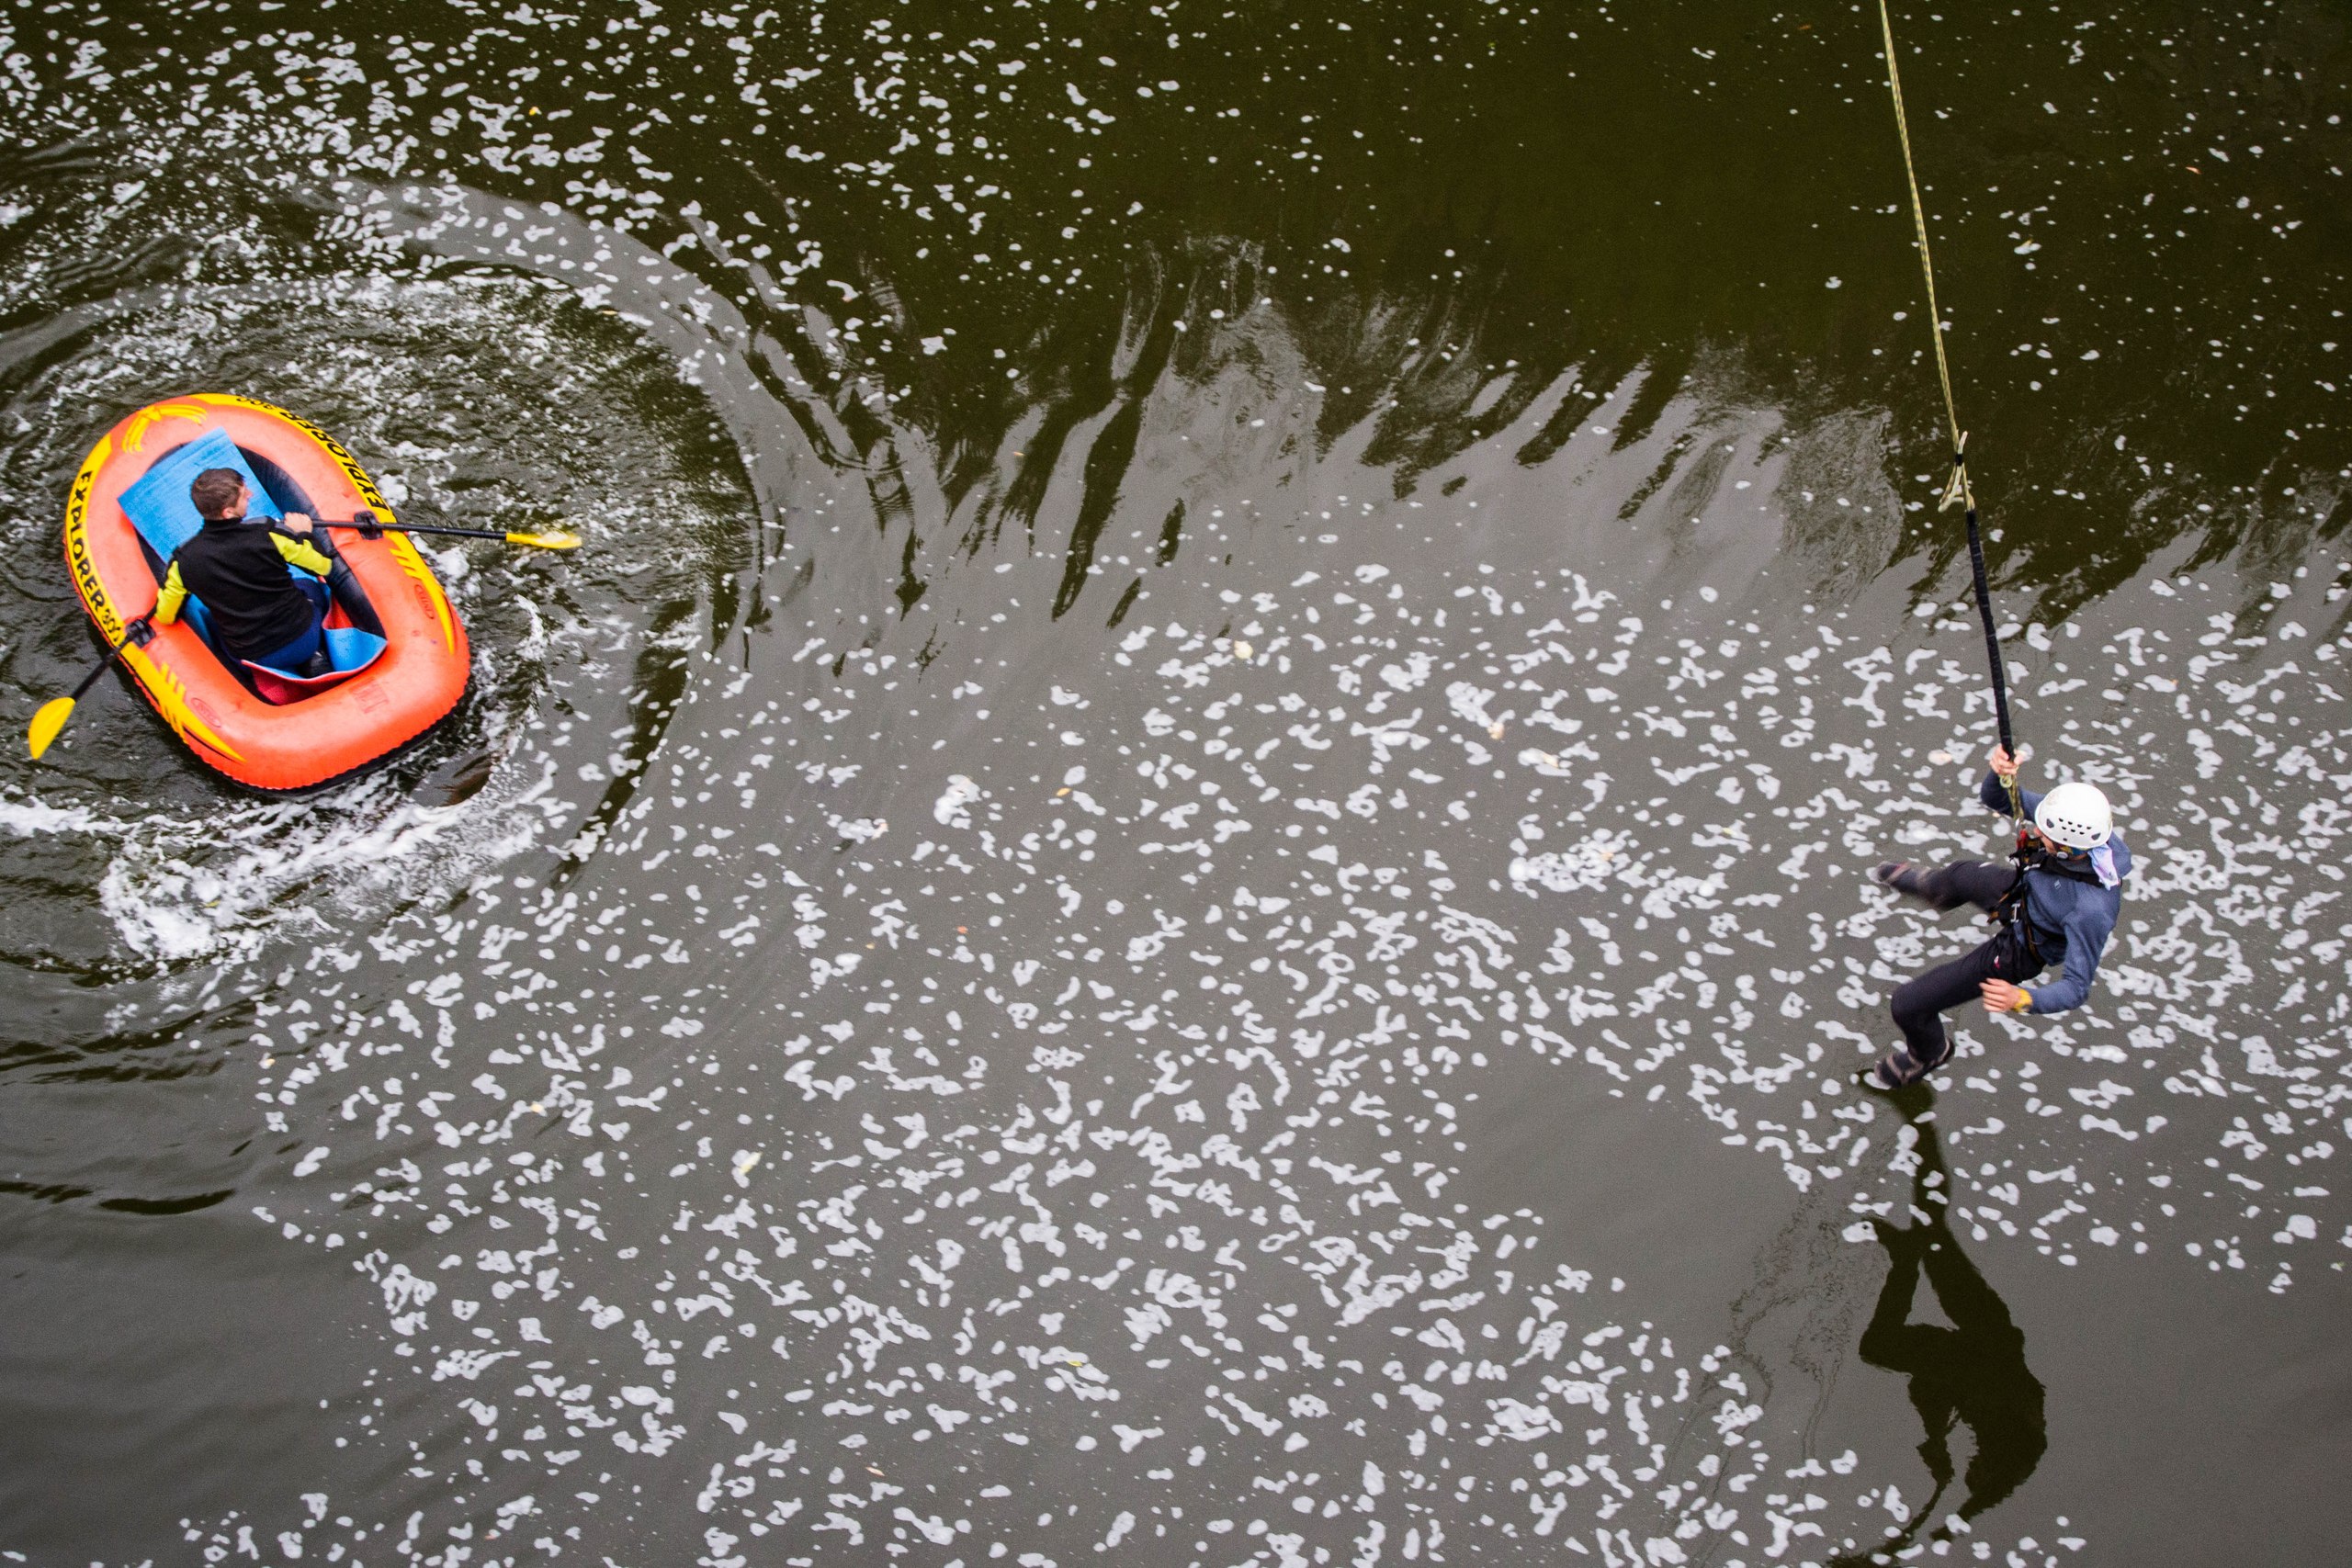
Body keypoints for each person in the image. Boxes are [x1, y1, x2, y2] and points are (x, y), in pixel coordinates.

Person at [1862, 744, 2131, 1089]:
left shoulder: (2091, 911)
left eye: (2045, 836)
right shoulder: (2071, 826)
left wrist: (2024, 999)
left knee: (1908, 1004)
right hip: (2023, 892)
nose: (2037, 832)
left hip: (2024, 946)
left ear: (2069, 848)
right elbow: (1998, 799)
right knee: (1961, 874)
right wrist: (2000, 774)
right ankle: (1934, 888)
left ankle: (1929, 1052)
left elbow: (2077, 987)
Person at [152, 467, 347, 678]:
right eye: (244, 495)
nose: (251, 495)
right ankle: (313, 656)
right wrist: (302, 534)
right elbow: (323, 567)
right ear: (227, 512)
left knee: (211, 620)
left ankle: (273, 675)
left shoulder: (183, 562)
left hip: (250, 657)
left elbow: (165, 615)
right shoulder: (269, 534)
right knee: (309, 586)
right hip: (304, 640)